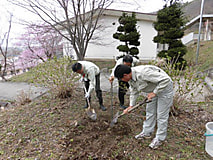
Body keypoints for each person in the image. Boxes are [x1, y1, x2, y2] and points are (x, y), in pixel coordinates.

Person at [114, 64, 173, 149]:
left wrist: (155, 92)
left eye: (121, 79)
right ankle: (147, 132)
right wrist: (131, 105)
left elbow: (165, 80)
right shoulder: (130, 78)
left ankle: (160, 138)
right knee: (150, 111)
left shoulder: (143, 73)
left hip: (164, 88)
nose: (122, 81)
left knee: (161, 115)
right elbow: (134, 91)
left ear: (125, 75)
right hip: (152, 90)